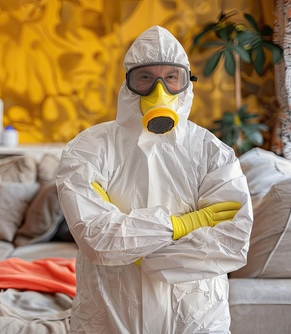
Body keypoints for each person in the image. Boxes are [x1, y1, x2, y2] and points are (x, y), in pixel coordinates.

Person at [55, 25, 253, 333]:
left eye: (171, 78)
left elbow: (231, 242)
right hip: (110, 318)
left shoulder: (212, 152)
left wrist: (132, 248)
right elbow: (95, 237)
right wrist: (183, 225)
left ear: (186, 84)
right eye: (146, 78)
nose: (159, 91)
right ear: (128, 85)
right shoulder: (89, 149)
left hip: (196, 317)